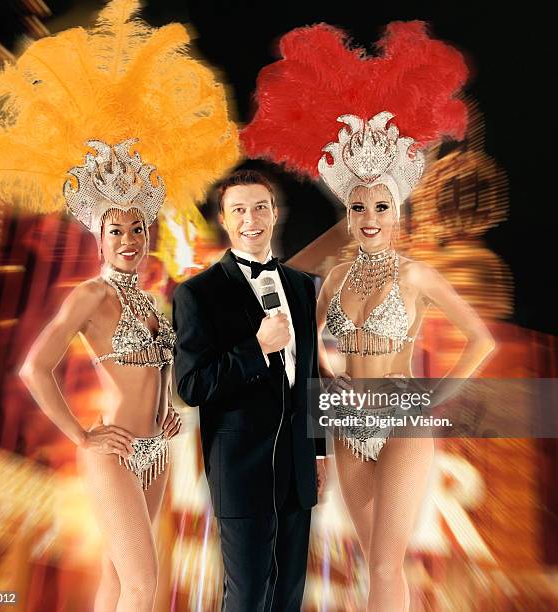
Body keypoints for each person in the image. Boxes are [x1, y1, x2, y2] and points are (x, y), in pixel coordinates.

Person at [0, 2, 239, 610]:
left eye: (136, 229)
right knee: (144, 586)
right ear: (99, 235)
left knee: (121, 584)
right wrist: (83, 436)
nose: (128, 239)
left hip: (155, 450)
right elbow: (34, 369)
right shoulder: (90, 295)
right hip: (113, 452)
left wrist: (168, 416)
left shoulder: (147, 300)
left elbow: (161, 371)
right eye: (115, 230)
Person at [242, 22, 496, 611]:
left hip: (403, 414)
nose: (370, 216)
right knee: (371, 561)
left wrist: (434, 398)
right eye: (359, 207)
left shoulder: (416, 276)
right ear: (350, 213)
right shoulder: (332, 279)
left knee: (386, 561)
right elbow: (303, 347)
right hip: (346, 422)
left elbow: (479, 340)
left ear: (396, 209)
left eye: (381, 205)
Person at [173, 169, 326, 611]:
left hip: (297, 466)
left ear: (275, 213)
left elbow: (311, 375)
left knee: (288, 595)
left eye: (260, 207)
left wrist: (317, 451)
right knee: (248, 595)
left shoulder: (301, 287)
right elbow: (191, 385)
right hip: (240, 468)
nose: (251, 219)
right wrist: (256, 348)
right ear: (224, 218)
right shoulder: (198, 294)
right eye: (239, 210)